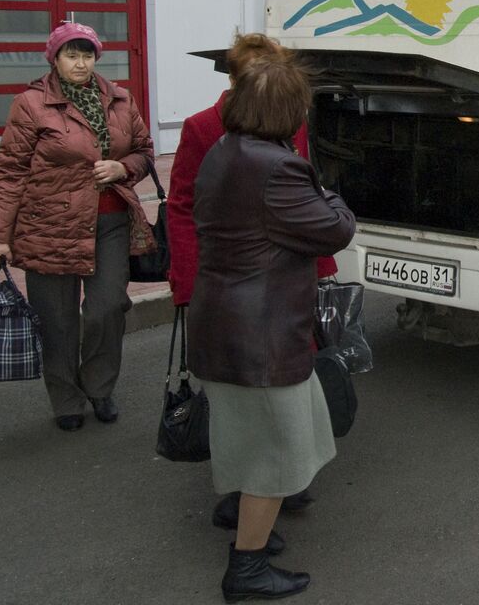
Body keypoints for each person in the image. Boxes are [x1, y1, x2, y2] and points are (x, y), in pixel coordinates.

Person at [188, 52, 356, 601]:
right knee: (273, 453)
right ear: (287, 111)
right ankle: (247, 566)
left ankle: (239, 512)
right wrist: (330, 192)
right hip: (259, 334)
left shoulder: (225, 149)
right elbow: (334, 230)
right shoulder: (277, 166)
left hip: (225, 322)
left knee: (249, 435)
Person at [167, 33, 338, 532]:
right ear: (237, 79)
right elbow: (182, 206)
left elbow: (300, 195)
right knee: (255, 398)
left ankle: (280, 483)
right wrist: (187, 282)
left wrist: (321, 266)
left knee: (289, 389)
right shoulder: (206, 128)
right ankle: (256, 497)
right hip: (245, 291)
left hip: (283, 283)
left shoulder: (283, 123)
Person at [0, 21, 155, 431]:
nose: (81, 63)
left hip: (110, 222)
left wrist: (122, 166)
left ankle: (99, 387)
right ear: (54, 59)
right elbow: (10, 173)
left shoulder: (120, 99)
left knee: (107, 309)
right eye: (71, 55)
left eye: (87, 55)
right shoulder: (30, 104)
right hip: (48, 225)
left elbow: (145, 151)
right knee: (56, 319)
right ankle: (66, 400)